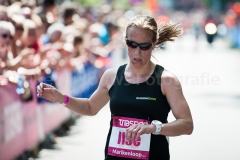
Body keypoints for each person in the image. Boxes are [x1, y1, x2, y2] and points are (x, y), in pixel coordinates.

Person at [37, 15, 193, 160]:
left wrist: (154, 128)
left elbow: (187, 124)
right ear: (125, 41)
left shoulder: (166, 80)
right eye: (132, 44)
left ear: (154, 44)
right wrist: (61, 98)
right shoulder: (111, 76)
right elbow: (91, 108)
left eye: (144, 46)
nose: (137, 52)